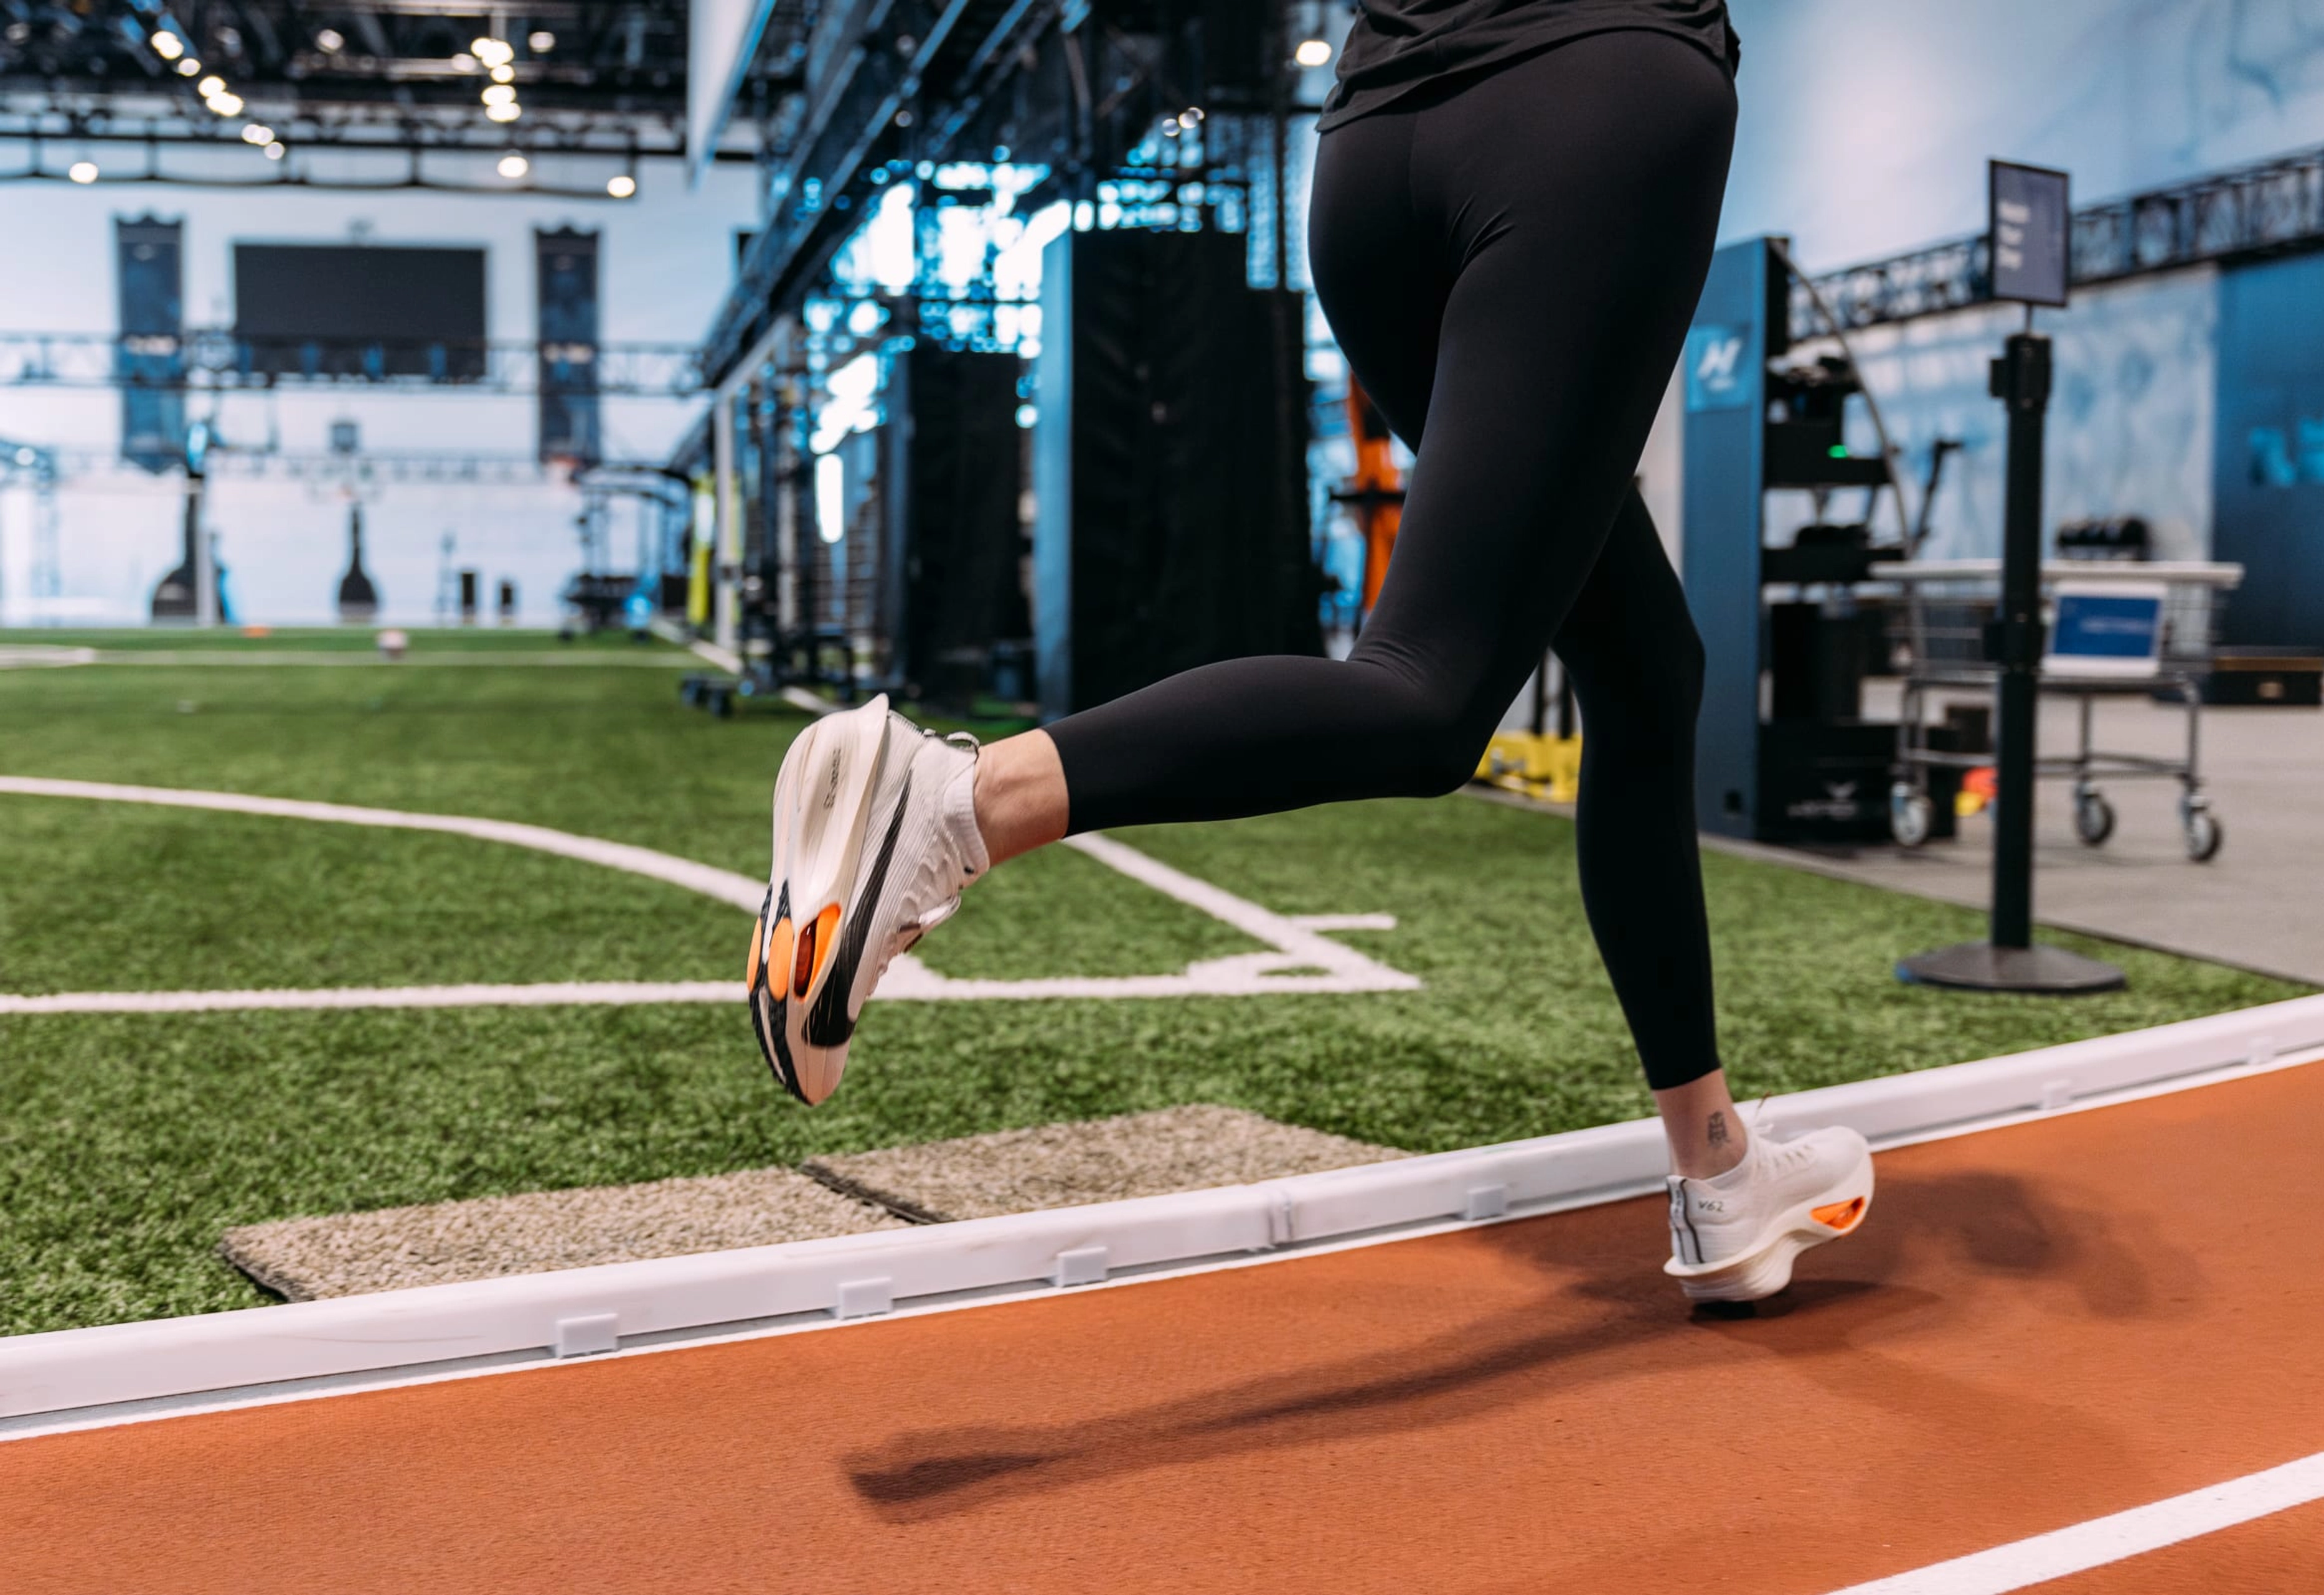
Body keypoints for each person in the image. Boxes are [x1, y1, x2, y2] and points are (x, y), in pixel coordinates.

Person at [743, 0, 1873, 1305]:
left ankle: (1718, 1167)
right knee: (1428, 694)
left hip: (1376, 150)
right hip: (1597, 99)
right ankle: (955, 803)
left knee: (1643, 663)